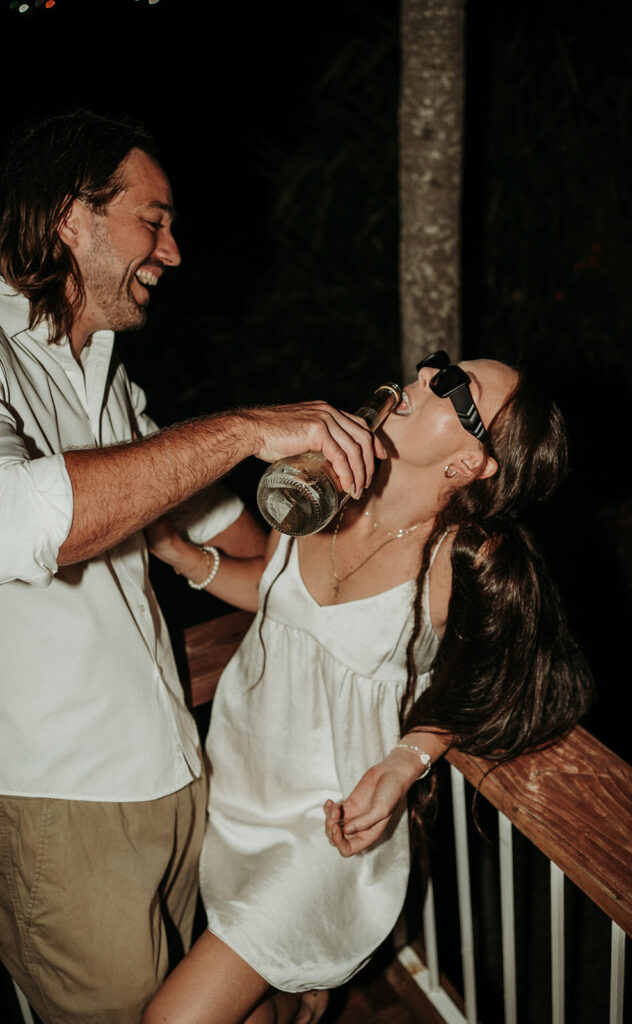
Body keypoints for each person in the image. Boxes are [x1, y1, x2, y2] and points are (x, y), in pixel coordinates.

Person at [0, 110, 382, 1024]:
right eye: (154, 220)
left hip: (174, 772)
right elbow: (19, 520)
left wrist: (327, 506)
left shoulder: (106, 376)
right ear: (70, 217)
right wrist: (246, 429)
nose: (172, 252)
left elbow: (245, 538)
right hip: (64, 799)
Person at [142, 352, 594, 1024]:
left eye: (450, 386)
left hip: (331, 824)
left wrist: (405, 761)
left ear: (468, 464)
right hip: (240, 782)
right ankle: (299, 1006)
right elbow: (274, 599)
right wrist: (187, 558)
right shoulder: (318, 479)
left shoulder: (464, 556)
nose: (419, 378)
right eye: (433, 366)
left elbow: (508, 683)